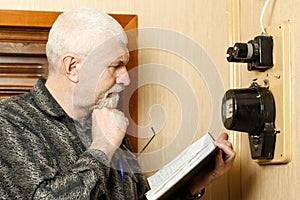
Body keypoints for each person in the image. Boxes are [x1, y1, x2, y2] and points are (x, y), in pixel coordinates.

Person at [0, 8, 235, 199]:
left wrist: (193, 183)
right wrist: (102, 147)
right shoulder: (9, 122)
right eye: (115, 65)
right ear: (72, 68)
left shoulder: (108, 120)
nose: (126, 78)